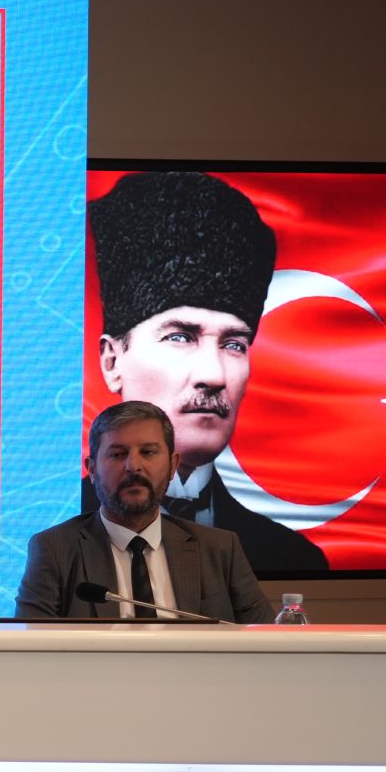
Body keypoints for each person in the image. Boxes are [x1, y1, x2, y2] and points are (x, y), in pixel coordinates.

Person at [86, 170, 328, 573]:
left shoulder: (291, 559)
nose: (214, 375)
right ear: (112, 361)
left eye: (234, 344)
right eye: (180, 336)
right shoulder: (51, 536)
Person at [16, 400, 274, 622]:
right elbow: (29, 650)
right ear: (92, 470)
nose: (133, 466)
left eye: (148, 452)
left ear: (173, 465)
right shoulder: (55, 550)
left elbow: (268, 643)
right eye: (118, 454)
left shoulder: (219, 549)